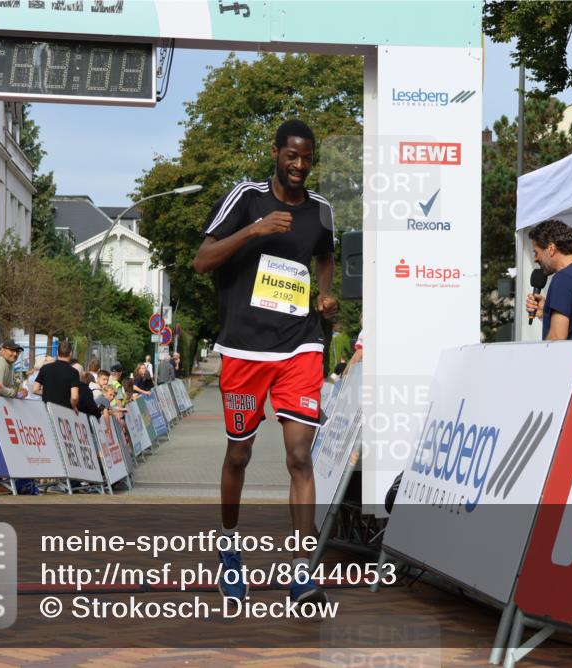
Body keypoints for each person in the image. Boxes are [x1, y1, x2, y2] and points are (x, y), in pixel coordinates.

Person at [192, 118, 337, 606]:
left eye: (307, 158)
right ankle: (230, 550)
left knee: (299, 456)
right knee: (239, 455)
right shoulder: (247, 198)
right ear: (276, 153)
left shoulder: (322, 211)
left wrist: (326, 294)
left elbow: (324, 256)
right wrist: (255, 231)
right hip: (245, 349)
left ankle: (302, 570)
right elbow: (202, 259)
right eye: (291, 156)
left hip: (300, 345)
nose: (299, 166)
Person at [33, 340, 80, 411]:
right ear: (71, 354)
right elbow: (74, 397)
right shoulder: (74, 372)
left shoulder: (45, 368)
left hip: (47, 410)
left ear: (57, 353)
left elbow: (35, 389)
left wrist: (49, 393)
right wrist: (74, 407)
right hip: (64, 412)